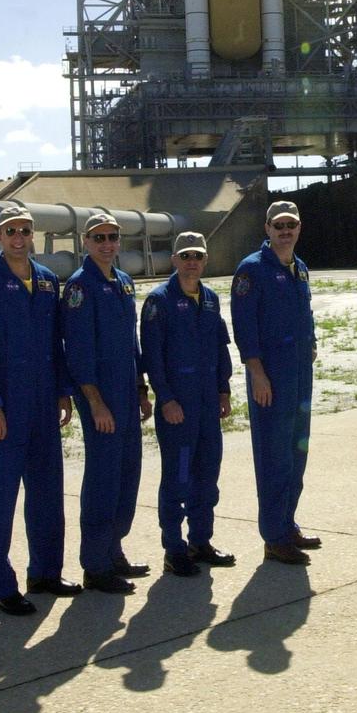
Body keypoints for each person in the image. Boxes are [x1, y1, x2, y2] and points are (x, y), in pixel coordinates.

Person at [0, 204, 80, 615]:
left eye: (25, 231)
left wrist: (63, 390)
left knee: (47, 492)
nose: (18, 238)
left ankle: (45, 572)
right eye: (10, 231)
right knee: (1, 497)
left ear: (33, 235)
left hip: (44, 403)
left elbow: (56, 344)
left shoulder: (47, 281)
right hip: (6, 408)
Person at [61, 212, 153, 593]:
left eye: (113, 236)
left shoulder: (124, 282)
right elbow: (78, 352)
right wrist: (95, 403)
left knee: (127, 473)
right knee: (103, 477)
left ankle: (114, 549)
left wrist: (141, 388)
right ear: (86, 242)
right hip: (99, 396)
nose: (107, 244)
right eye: (99, 238)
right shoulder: (81, 287)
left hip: (126, 392)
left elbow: (131, 343)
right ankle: (95, 565)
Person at [140, 231, 235, 577]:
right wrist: (165, 398)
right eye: (185, 256)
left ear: (205, 260)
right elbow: (152, 356)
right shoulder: (159, 301)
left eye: (197, 255)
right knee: (178, 478)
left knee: (207, 475)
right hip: (178, 405)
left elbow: (221, 347)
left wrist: (224, 390)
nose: (192, 261)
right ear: (174, 261)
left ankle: (200, 541)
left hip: (208, 403)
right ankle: (173, 548)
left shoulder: (209, 299)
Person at [230, 200, 318, 565]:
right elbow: (244, 326)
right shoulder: (252, 270)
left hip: (299, 376)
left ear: (298, 228)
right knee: (273, 457)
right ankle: (273, 536)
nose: (285, 231)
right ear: (266, 229)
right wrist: (257, 373)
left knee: (297, 453)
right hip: (270, 378)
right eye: (278, 225)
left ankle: (288, 522)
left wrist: (311, 345)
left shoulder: (299, 268)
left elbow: (306, 314)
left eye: (291, 224)